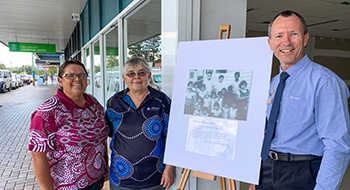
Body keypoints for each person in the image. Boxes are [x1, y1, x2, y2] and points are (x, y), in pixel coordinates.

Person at [251, 10, 350, 190]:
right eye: (279, 35)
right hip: (266, 170)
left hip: (302, 173)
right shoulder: (272, 84)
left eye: (293, 34)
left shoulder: (325, 82)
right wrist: (254, 175)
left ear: (305, 39)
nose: (286, 42)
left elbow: (337, 146)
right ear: (270, 43)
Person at [28, 60, 109, 190]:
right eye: (70, 75)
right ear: (60, 81)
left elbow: (100, 140)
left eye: (82, 75)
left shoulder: (93, 103)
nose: (77, 79)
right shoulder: (48, 111)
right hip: (66, 185)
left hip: (95, 180)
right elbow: (38, 157)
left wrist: (106, 167)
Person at [105, 57, 174, 190]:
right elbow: (109, 133)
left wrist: (169, 168)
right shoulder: (114, 102)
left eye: (141, 73)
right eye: (131, 73)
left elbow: (172, 136)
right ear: (124, 78)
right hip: (121, 177)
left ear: (149, 76)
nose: (136, 77)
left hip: (155, 176)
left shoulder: (161, 100)